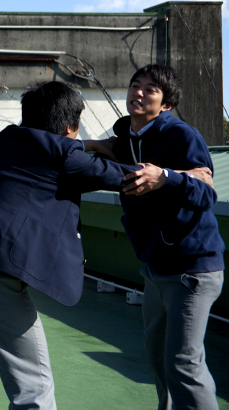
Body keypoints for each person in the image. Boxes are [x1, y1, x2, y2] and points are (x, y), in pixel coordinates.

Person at [0, 81, 166, 409]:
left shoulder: (7, 138)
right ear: (70, 127)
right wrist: (173, 175)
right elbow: (121, 177)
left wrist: (91, 144)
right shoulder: (66, 154)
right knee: (34, 391)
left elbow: (55, 147)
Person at [92, 64, 224, 410]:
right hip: (155, 268)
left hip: (192, 270)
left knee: (184, 363)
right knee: (159, 362)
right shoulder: (127, 139)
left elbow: (206, 191)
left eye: (151, 89)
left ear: (166, 103)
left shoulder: (182, 135)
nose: (138, 92)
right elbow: (106, 148)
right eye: (135, 84)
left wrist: (166, 177)